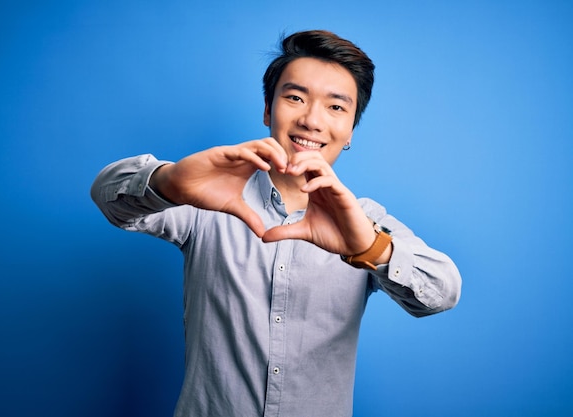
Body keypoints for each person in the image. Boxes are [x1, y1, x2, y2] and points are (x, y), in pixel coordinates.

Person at [91, 30, 461, 417]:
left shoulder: (364, 220)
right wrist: (170, 181)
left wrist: (369, 247)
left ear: (350, 130)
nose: (312, 120)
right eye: (295, 98)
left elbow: (443, 292)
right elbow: (107, 196)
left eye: (336, 108)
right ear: (268, 110)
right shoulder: (210, 195)